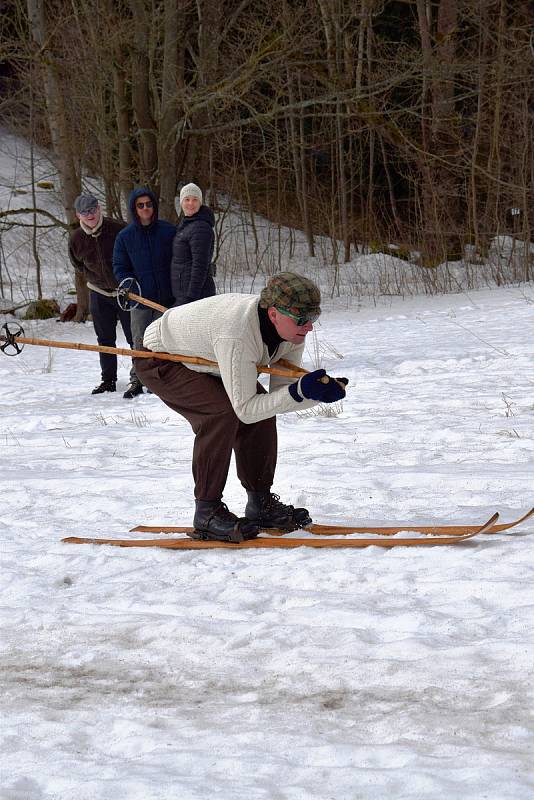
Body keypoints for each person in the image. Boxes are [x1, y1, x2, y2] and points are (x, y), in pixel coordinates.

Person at [134, 272, 348, 543]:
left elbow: (281, 397)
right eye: (303, 320)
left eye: (313, 318)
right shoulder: (238, 333)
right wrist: (301, 391)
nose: (309, 328)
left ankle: (261, 504)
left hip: (208, 359)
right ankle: (207, 513)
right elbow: (245, 408)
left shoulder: (291, 332)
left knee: (263, 414)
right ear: (273, 314)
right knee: (221, 412)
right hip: (159, 359)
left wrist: (315, 393)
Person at [68, 194, 139, 397]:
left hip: (125, 293)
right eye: (84, 212)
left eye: (92, 210)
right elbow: (79, 265)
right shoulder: (76, 239)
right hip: (98, 293)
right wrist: (96, 280)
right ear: (78, 215)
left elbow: (134, 257)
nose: (89, 215)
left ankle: (140, 378)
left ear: (99, 208)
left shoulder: (119, 229)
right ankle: (108, 380)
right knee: (105, 339)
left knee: (133, 337)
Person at [112, 187, 175, 394]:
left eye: (148, 204)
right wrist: (131, 287)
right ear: (134, 209)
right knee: (139, 341)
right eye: (141, 205)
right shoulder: (125, 237)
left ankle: (159, 381)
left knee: (162, 342)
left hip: (165, 299)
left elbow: (179, 261)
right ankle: (138, 379)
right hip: (139, 300)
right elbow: (120, 267)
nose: (145, 208)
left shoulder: (168, 231)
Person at [171, 182, 216, 305]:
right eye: (187, 199)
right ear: (181, 202)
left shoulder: (201, 228)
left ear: (200, 202)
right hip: (183, 292)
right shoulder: (187, 224)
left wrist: (191, 296)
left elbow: (200, 265)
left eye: (195, 199)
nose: (190, 203)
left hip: (195, 296)